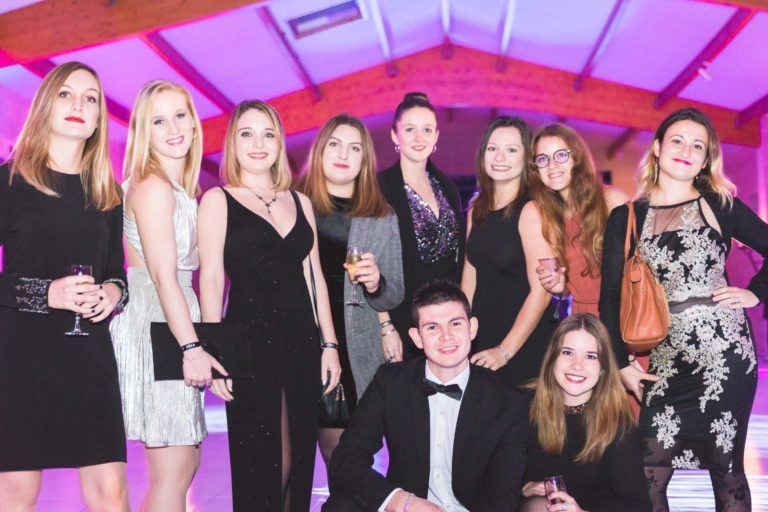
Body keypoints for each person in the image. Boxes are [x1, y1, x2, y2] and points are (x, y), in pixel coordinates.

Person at [599, 107, 768, 511]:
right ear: (657, 148)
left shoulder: (720, 205)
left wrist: (755, 293)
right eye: (677, 140)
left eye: (698, 146)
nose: (686, 151)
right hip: (666, 360)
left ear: (706, 158)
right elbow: (609, 297)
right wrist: (621, 364)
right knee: (649, 469)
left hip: (725, 356)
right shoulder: (626, 217)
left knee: (726, 467)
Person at [198, 100, 341, 511]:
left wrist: (329, 345)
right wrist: (215, 351)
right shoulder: (218, 200)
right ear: (233, 143)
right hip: (249, 344)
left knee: (298, 462)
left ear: (279, 143)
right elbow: (210, 278)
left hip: (300, 343)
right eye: (247, 134)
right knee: (265, 464)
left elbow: (314, 279)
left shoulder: (300, 203)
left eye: (268, 134)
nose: (258, 143)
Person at [0, 61, 129, 510]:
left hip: (89, 356)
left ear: (97, 119)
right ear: (44, 106)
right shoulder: (8, 182)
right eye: (66, 94)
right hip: (19, 359)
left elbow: (118, 275)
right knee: (16, 494)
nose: (79, 104)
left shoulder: (107, 194)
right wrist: (43, 293)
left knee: (111, 493)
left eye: (90, 98)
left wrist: (112, 295)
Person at [109, 80, 224, 511]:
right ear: (145, 131)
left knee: (184, 464)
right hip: (160, 320)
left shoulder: (177, 189)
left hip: (169, 318)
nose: (173, 127)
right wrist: (191, 345)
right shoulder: (153, 186)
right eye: (159, 120)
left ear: (195, 125)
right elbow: (161, 274)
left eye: (180, 115)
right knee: (173, 472)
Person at [324, 280, 529, 512]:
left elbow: (502, 496)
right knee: (341, 506)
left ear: (472, 328)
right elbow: (347, 458)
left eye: (455, 324)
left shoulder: (509, 402)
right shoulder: (391, 382)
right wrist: (399, 501)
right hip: (407, 507)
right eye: (432, 327)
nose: (446, 336)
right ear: (417, 337)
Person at [295, 114, 405, 472]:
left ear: (364, 160)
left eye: (354, 147)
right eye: (335, 144)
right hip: (299, 336)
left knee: (345, 452)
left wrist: (377, 283)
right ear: (320, 150)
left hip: (357, 344)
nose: (344, 153)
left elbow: (395, 291)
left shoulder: (381, 215)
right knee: (296, 453)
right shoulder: (293, 204)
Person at [461, 116, 557, 386]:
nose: (499, 157)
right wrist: (460, 330)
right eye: (492, 148)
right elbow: (469, 277)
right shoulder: (477, 206)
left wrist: (505, 351)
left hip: (519, 345)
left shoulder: (532, 211)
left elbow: (542, 292)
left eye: (511, 149)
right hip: (481, 339)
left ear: (526, 158)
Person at [520, 314, 651, 512]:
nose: (577, 365)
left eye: (590, 356)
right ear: (552, 358)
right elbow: (491, 476)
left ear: (603, 368)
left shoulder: (616, 422)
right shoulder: (524, 405)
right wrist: (524, 486)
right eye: (567, 352)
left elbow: (638, 506)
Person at [378, 92, 465, 360]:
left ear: (437, 135)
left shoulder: (448, 187)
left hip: (447, 321)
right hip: (404, 318)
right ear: (395, 135)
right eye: (410, 129)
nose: (419, 138)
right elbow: (371, 261)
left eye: (427, 129)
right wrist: (385, 326)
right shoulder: (380, 188)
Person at [530, 124, 628, 316]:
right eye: (543, 159)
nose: (552, 165)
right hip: (582, 321)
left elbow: (645, 268)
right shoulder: (549, 217)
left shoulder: (611, 201)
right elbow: (570, 288)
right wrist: (560, 286)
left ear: (577, 158)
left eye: (561, 155)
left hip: (623, 318)